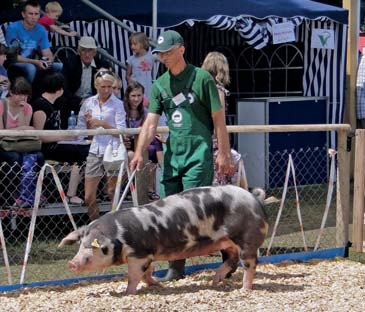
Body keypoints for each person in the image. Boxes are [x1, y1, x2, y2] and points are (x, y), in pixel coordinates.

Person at [129, 30, 233, 282]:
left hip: (199, 155)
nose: (163, 57)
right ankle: (176, 268)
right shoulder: (159, 85)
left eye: (168, 52)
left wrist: (223, 153)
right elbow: (151, 123)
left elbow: (218, 119)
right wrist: (139, 152)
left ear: (181, 50)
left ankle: (230, 256)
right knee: (172, 215)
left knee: (198, 212)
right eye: (160, 54)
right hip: (173, 157)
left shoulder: (202, 78)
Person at [76, 68, 126, 220]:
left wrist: (103, 124)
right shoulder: (88, 102)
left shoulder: (118, 104)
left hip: (113, 149)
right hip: (95, 149)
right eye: (103, 86)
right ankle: (97, 227)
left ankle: (115, 226)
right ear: (96, 86)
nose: (106, 90)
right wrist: (87, 126)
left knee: (112, 192)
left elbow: (122, 131)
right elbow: (80, 128)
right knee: (88, 196)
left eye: (109, 86)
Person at [31, 72, 88, 204]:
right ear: (60, 90)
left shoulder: (53, 105)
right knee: (81, 153)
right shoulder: (40, 106)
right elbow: (39, 135)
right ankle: (70, 194)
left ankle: (73, 192)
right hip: (47, 147)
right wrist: (66, 135)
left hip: (57, 142)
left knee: (86, 150)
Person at [0, 77, 44, 208]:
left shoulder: (27, 108)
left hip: (20, 143)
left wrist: (20, 111)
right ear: (11, 92)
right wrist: (20, 129)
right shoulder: (2, 105)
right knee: (14, 158)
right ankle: (10, 195)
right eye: (19, 94)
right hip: (4, 144)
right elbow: (2, 132)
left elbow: (24, 132)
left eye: (25, 95)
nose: (22, 98)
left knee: (39, 156)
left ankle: (30, 194)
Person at [56, 36, 111, 129]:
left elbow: (107, 86)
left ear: (94, 52)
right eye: (84, 51)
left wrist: (95, 100)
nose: (87, 54)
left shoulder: (102, 65)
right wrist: (80, 101)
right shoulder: (70, 63)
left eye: (90, 51)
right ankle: (66, 132)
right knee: (62, 101)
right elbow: (64, 87)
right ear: (78, 52)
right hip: (74, 100)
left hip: (95, 100)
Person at [5, 0, 63, 84]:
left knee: (59, 66)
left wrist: (48, 61)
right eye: (30, 14)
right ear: (23, 14)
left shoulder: (40, 29)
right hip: (14, 63)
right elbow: (13, 56)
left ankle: (52, 95)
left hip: (35, 61)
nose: (34, 17)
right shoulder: (13, 28)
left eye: (36, 14)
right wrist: (35, 62)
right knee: (31, 68)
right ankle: (28, 95)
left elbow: (46, 52)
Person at [124, 81, 163, 201]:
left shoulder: (145, 112)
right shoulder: (122, 110)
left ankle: (150, 188)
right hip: (127, 144)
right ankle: (132, 187)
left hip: (140, 145)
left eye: (139, 96)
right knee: (132, 155)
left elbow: (151, 128)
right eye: (133, 96)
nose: (136, 99)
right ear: (128, 96)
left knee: (154, 146)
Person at [126, 32, 154, 101]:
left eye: (135, 44)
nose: (132, 47)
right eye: (131, 44)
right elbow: (127, 75)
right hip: (136, 88)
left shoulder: (151, 56)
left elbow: (163, 59)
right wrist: (131, 84)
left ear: (142, 43)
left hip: (148, 87)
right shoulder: (131, 59)